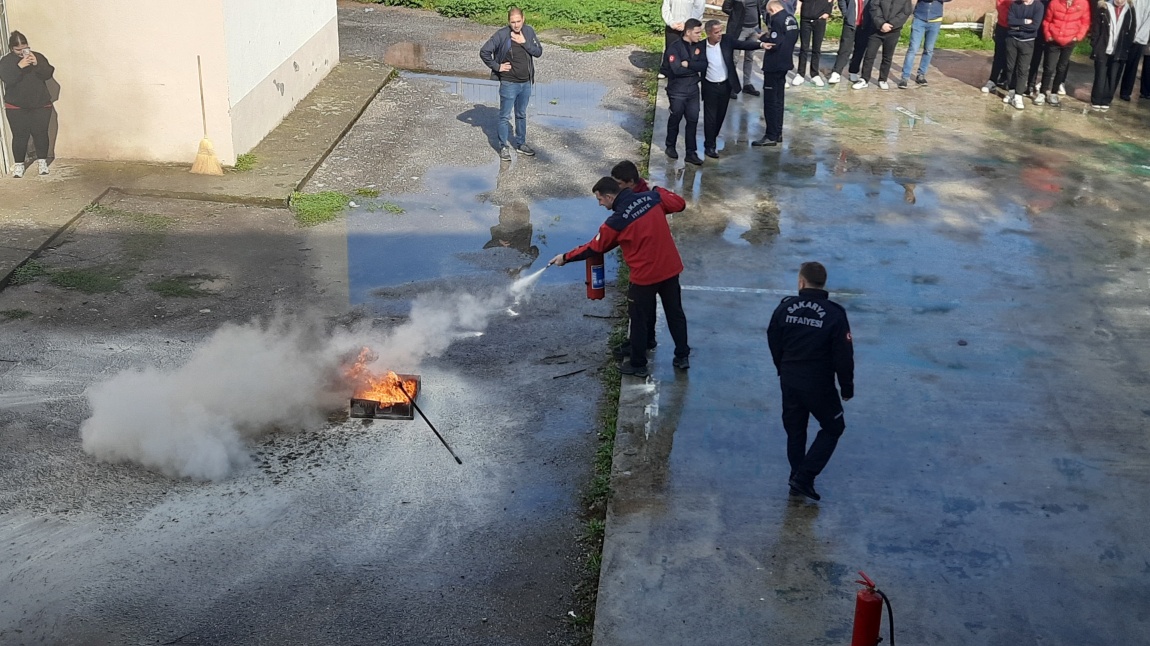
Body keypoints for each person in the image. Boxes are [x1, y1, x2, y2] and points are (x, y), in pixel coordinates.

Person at [549, 178, 690, 378]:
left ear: (609, 196)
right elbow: (679, 204)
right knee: (675, 313)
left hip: (644, 277)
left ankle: (638, 364)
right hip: (669, 269)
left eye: (600, 200)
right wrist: (656, 188)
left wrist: (565, 257)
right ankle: (682, 356)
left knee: (639, 320)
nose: (599, 204)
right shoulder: (651, 198)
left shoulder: (615, 222)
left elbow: (594, 247)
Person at [767, 262, 854, 502]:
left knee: (795, 431)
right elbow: (843, 355)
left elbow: (773, 337)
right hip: (819, 385)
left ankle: (796, 479)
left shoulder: (785, 309)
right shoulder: (835, 314)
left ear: (801, 282)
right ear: (823, 283)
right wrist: (846, 387)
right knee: (834, 427)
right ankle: (803, 478)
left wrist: (781, 367)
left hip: (790, 379)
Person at [479, 7, 543, 162]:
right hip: (509, 83)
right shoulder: (502, 35)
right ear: (509, 21)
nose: (516, 25)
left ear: (523, 19)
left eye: (518, 21)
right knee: (504, 116)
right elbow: (484, 52)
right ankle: (503, 147)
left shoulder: (528, 31)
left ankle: (521, 144)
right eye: (513, 22)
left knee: (521, 114)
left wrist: (524, 43)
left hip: (526, 82)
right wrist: (497, 66)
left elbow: (538, 51)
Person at [701, 19, 769, 158]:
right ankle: (710, 146)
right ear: (708, 33)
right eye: (716, 32)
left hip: (725, 86)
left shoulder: (727, 40)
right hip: (710, 87)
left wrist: (761, 44)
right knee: (710, 118)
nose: (720, 34)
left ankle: (712, 139)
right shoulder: (701, 47)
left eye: (721, 31)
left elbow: (743, 44)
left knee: (720, 116)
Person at [1, 31, 55, 178]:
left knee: (40, 134)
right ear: (12, 48)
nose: (22, 52)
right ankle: (19, 165)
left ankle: (42, 162)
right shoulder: (6, 61)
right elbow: (7, 78)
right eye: (18, 50)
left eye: (25, 48)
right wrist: (20, 66)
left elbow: (48, 73)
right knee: (19, 136)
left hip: (40, 104)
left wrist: (37, 64)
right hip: (16, 106)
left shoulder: (37, 57)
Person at [752, 0, 799, 147]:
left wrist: (762, 38)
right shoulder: (791, 18)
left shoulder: (777, 20)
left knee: (771, 102)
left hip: (774, 65)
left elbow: (774, 42)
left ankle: (771, 135)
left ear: (772, 9)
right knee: (779, 100)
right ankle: (778, 133)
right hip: (785, 63)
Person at [663, 18, 707, 165]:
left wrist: (689, 64)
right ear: (688, 32)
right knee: (675, 118)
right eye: (697, 32)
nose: (700, 35)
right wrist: (694, 68)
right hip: (677, 90)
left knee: (693, 120)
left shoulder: (698, 47)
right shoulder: (674, 48)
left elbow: (704, 65)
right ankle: (670, 145)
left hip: (693, 89)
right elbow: (676, 69)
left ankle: (691, 152)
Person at [1036, 0, 1091, 105]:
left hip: (1070, 41)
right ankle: (1042, 93)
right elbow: (1047, 20)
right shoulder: (1054, 2)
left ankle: (1054, 93)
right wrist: (1048, 35)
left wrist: (1078, 36)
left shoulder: (1083, 3)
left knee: (1062, 67)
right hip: (1054, 40)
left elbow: (1085, 22)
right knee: (1049, 67)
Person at [854, 0, 914, 90]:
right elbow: (874, 7)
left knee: (887, 57)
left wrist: (891, 24)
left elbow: (905, 12)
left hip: (893, 31)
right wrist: (881, 23)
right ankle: (864, 79)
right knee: (869, 55)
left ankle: (883, 79)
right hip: (876, 30)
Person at [1090, 0, 1137, 110]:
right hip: (1103, 47)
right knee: (1100, 75)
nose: (1120, 1)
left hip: (1119, 49)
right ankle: (1096, 99)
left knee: (1113, 76)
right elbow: (1096, 28)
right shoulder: (1104, 8)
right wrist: (1095, 44)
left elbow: (1132, 29)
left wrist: (1126, 47)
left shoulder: (1130, 10)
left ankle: (1106, 100)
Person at [1003, 0, 1046, 109]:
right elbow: (1010, 21)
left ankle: (1018, 95)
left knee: (1022, 69)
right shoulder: (1014, 4)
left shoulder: (1038, 6)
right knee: (1010, 67)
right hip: (1012, 39)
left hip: (1028, 42)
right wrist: (1025, 21)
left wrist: (1017, 26)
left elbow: (1035, 26)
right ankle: (1011, 91)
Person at [899, 0, 952, 88]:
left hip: (935, 20)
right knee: (913, 48)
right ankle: (905, 77)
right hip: (919, 18)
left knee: (928, 49)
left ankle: (921, 75)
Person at [723, 0, 769, 94]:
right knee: (734, 58)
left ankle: (747, 84)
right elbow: (726, 8)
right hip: (740, 29)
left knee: (749, 57)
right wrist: (737, 15)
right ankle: (731, 85)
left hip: (755, 28)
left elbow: (762, 7)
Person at [828, 0, 872, 84]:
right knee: (845, 48)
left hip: (865, 24)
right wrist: (846, 13)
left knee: (860, 49)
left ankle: (853, 71)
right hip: (850, 23)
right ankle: (836, 72)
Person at [662, 0, 708, 78]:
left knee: (689, 48)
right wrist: (671, 22)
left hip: (689, 26)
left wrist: (687, 24)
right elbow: (666, 7)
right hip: (673, 25)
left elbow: (699, 8)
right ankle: (666, 70)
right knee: (670, 46)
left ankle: (688, 69)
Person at [795, 0, 834, 86]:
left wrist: (828, 12)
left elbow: (830, 1)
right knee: (804, 48)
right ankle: (800, 74)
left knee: (816, 49)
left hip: (820, 20)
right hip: (806, 19)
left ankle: (814, 74)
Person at [1118, 0, 1150, 99]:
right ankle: (1109, 88)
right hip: (1125, 34)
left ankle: (1126, 92)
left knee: (1132, 66)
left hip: (1139, 38)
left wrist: (1139, 36)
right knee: (1118, 63)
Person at [982, 0, 1016, 92]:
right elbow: (1000, 4)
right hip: (1004, 25)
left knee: (1013, 56)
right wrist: (1011, 19)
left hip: (1018, 28)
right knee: (999, 55)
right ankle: (993, 80)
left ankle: (1007, 80)